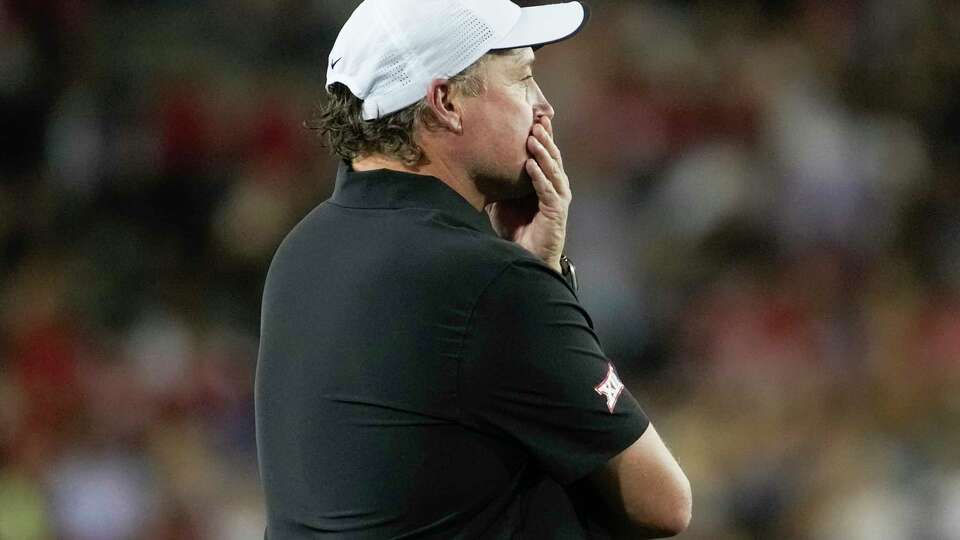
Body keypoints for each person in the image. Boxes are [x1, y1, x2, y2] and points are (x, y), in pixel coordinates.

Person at [255, 1, 692, 538]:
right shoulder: (489, 281)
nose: (544, 107)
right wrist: (543, 278)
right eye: (524, 78)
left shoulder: (301, 250)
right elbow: (664, 504)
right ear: (445, 103)